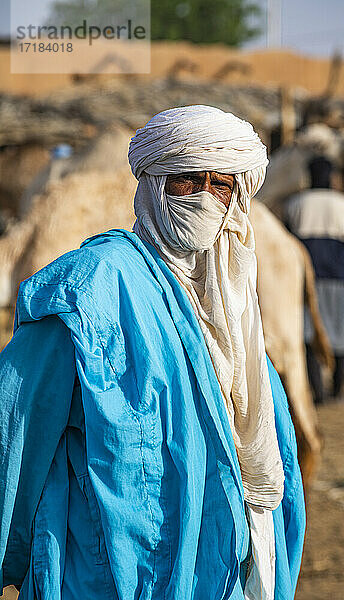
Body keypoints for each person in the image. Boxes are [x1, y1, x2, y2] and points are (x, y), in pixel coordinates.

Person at [0, 106, 305, 599]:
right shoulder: (92, 289)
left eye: (221, 185)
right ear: (154, 186)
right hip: (104, 582)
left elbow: (276, 472)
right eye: (188, 181)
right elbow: (13, 433)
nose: (205, 198)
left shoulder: (235, 326)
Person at [285, 155, 344, 404]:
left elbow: (288, 237)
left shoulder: (295, 203)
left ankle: (318, 394)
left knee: (309, 334)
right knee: (342, 332)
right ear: (331, 177)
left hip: (307, 280)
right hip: (340, 277)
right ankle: (339, 391)